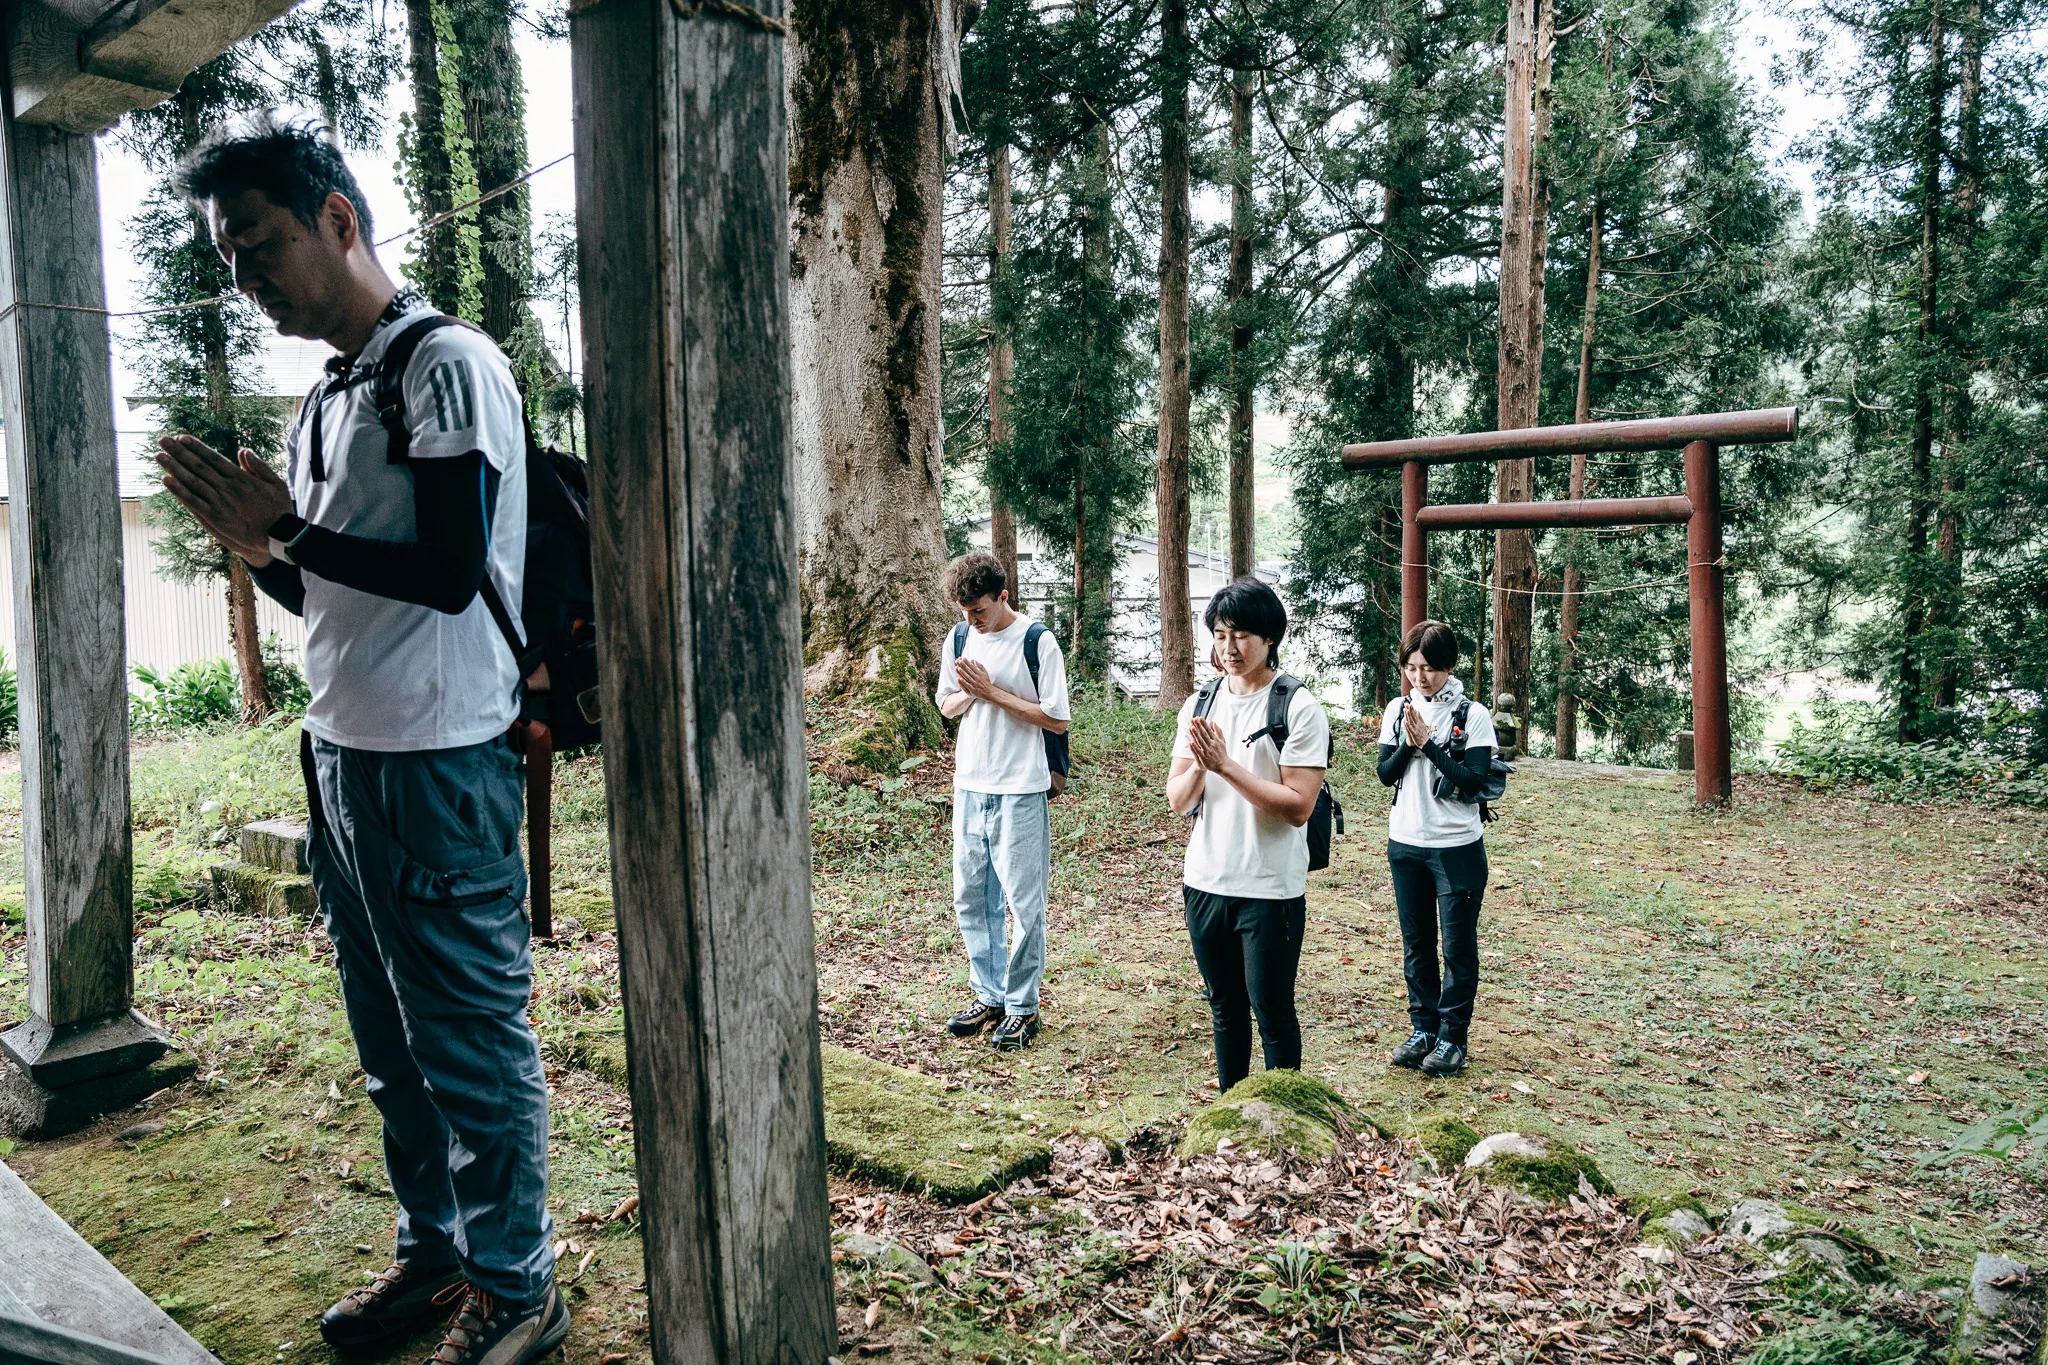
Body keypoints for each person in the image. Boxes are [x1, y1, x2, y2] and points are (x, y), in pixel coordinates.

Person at [153, 112, 566, 1364]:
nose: (246, 278)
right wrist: (261, 547)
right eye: (228, 259)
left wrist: (288, 532)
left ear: (337, 219)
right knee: (390, 1042)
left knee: (469, 1041)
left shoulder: (445, 365)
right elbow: (325, 595)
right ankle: (435, 1253)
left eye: (260, 243)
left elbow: (446, 571)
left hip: (438, 762)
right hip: (339, 755)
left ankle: (517, 1288)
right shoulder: (327, 395)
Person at [1166, 578, 1330, 1093]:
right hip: (1205, 880)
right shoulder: (1199, 703)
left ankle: (1286, 1121)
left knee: (1272, 1011)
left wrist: (1226, 766)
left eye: (1240, 635)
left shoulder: (1297, 707)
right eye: (1219, 635)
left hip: (1269, 887)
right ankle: (1230, 1114)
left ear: (1269, 637)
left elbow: (1299, 807)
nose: (1229, 648)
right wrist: (1202, 766)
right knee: (1225, 1008)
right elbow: (1178, 800)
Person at [934, 552, 1071, 1050]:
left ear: (1003, 597)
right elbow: (947, 704)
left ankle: (1022, 1006)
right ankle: (988, 995)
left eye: (979, 610)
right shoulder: (958, 638)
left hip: (1021, 787)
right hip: (970, 784)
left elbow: (1057, 718)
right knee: (972, 897)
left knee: (1023, 902)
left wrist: (992, 692)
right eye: (965, 611)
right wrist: (972, 693)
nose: (972, 619)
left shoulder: (1037, 640)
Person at [1377, 620, 1497, 1079]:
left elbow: (1474, 780)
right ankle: (1423, 1029)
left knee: (1458, 946)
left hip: (1455, 847)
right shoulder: (1398, 709)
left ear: (1449, 665)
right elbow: (1385, 774)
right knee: (1417, 943)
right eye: (1410, 668)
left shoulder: (1473, 714)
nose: (1419, 677)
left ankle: (1453, 1037)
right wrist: (1409, 745)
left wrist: (1428, 744)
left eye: (1428, 668)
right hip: (1405, 842)